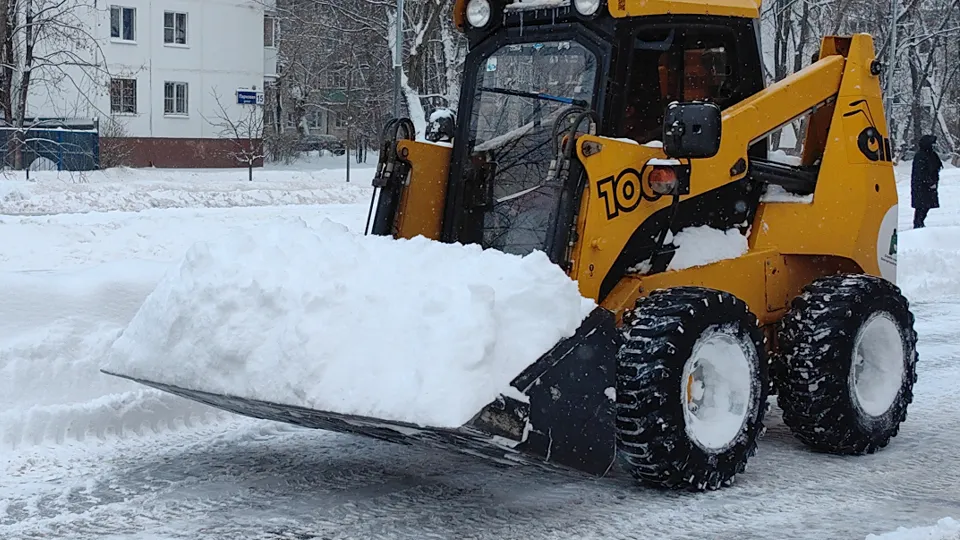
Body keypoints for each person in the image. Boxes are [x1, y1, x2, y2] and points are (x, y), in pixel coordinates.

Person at [911, 134, 943, 228]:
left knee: (926, 205)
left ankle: (919, 223)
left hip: (928, 184)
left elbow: (936, 167)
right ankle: (918, 224)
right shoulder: (920, 155)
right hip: (922, 185)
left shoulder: (932, 154)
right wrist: (929, 182)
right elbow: (920, 172)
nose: (933, 146)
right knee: (922, 206)